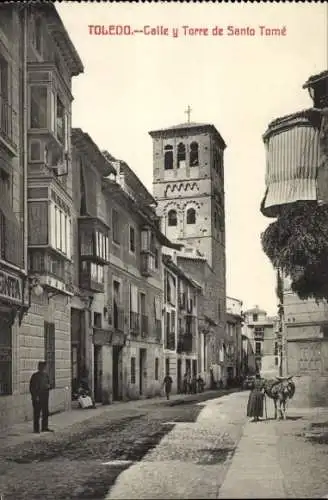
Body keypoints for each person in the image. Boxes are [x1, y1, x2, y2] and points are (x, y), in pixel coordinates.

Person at [29, 361, 53, 433]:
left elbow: (50, 384)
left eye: (44, 367)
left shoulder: (46, 375)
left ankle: (44, 427)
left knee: (45, 413)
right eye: (42, 367)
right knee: (37, 414)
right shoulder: (35, 376)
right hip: (37, 398)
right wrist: (35, 396)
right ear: (39, 367)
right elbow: (31, 388)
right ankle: (36, 429)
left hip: (45, 398)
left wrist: (49, 386)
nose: (43, 368)